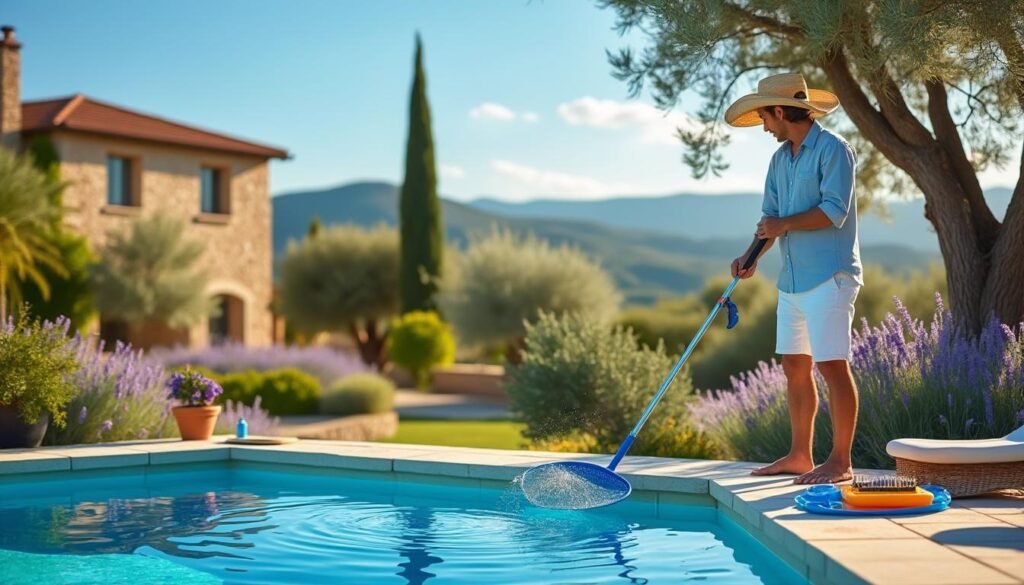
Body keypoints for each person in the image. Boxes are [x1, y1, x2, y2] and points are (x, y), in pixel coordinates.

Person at [723, 73, 863, 485]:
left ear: (780, 112)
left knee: (832, 366)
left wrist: (781, 225)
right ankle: (800, 455)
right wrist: (750, 256)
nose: (764, 127)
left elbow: (833, 211)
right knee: (793, 367)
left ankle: (840, 461)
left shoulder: (834, 150)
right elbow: (770, 221)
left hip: (830, 276)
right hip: (793, 281)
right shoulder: (780, 160)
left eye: (765, 117)